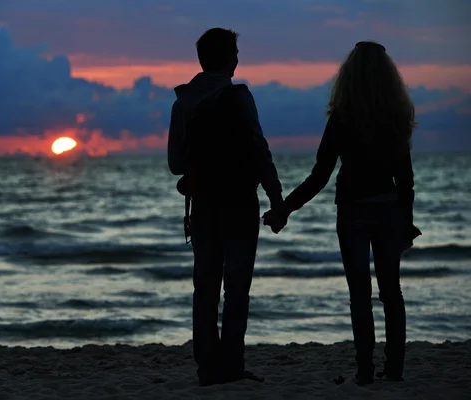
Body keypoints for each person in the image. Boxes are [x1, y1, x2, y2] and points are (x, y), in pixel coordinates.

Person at [264, 41, 421, 385]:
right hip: (389, 208)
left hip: (353, 211)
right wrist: (406, 221)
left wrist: (284, 209)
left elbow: (320, 175)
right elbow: (405, 179)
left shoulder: (342, 118)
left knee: (359, 294)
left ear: (348, 76)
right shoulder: (394, 116)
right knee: (391, 291)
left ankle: (365, 370)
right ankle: (394, 369)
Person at [167, 27, 285, 386]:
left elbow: (176, 164)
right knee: (236, 290)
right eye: (235, 52)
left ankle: (207, 369)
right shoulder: (238, 96)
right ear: (228, 58)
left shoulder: (182, 102)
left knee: (204, 288)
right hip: (239, 205)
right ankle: (231, 366)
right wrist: (276, 198)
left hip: (202, 205)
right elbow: (258, 149)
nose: (238, 59)